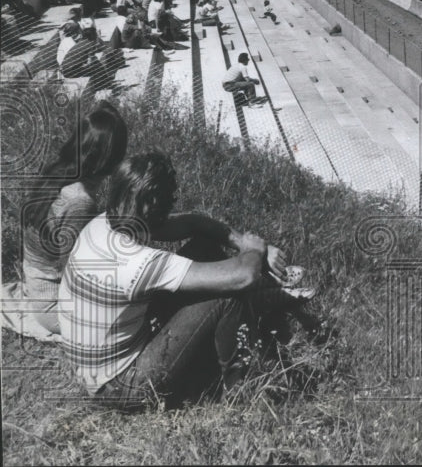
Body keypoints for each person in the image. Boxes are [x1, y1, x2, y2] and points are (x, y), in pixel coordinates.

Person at [58, 152, 316, 410]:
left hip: (92, 365)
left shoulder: (105, 222)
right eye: (167, 204)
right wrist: (257, 249)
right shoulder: (140, 263)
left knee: (204, 247)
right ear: (152, 204)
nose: (171, 209)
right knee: (227, 296)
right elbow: (243, 276)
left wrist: (241, 243)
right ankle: (242, 391)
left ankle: (259, 299)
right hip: (119, 386)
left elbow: (194, 223)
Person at [1, 102, 128, 338]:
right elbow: (74, 272)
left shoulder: (59, 173)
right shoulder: (81, 202)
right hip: (54, 307)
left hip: (37, 284)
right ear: (113, 158)